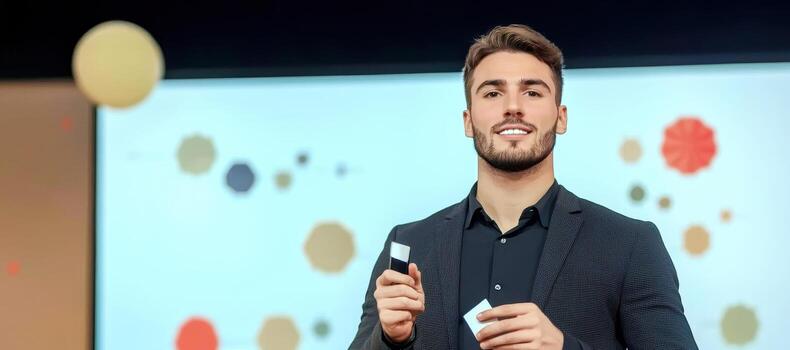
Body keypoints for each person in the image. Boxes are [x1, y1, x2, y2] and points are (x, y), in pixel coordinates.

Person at [349, 24, 697, 350]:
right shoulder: (410, 244)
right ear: (468, 121)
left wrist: (564, 347)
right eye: (493, 93)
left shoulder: (629, 244)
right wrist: (391, 339)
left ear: (561, 117)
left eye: (532, 92)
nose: (513, 107)